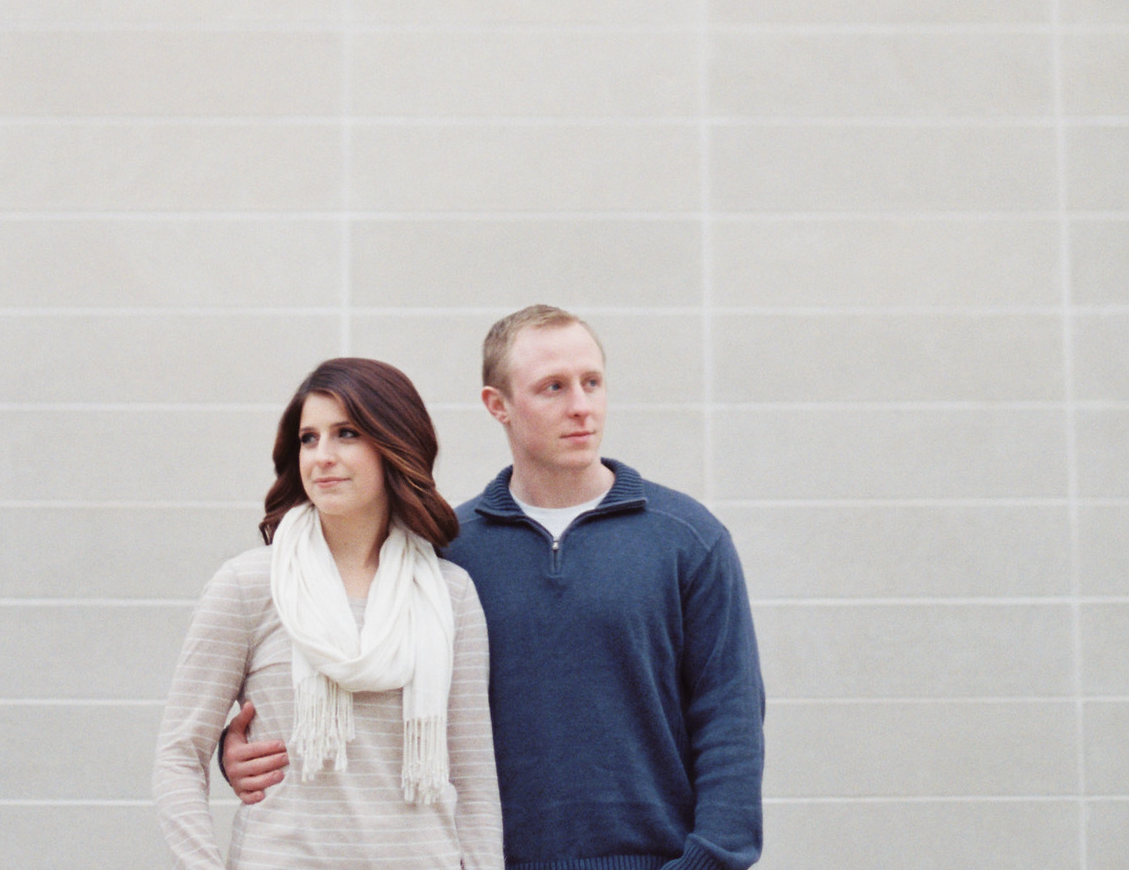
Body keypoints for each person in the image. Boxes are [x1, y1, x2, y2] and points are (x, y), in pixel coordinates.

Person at [224, 306, 765, 870]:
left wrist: (710, 863)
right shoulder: (446, 554)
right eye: (552, 387)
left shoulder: (688, 540)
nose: (581, 406)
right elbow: (366, 692)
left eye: (592, 383)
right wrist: (241, 751)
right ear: (497, 405)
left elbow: (731, 720)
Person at [155, 356, 502, 870]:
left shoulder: (450, 595)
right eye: (308, 438)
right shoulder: (249, 585)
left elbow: (473, 781)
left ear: (393, 445)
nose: (322, 456)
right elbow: (178, 756)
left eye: (347, 434)